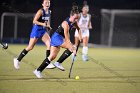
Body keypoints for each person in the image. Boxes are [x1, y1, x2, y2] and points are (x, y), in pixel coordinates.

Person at [33, 5, 82, 78]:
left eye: (77, 19)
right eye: (75, 18)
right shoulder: (66, 24)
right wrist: (73, 49)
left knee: (52, 56)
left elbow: (79, 29)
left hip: (58, 38)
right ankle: (58, 62)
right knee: (72, 47)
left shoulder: (74, 22)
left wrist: (80, 37)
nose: (76, 20)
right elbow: (67, 38)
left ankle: (38, 70)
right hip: (57, 38)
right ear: (71, 16)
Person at [13, 0, 52, 69]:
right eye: (46, 2)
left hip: (43, 30)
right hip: (36, 30)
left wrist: (48, 26)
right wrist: (43, 24)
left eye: (48, 2)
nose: (47, 4)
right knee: (30, 47)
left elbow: (47, 20)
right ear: (42, 4)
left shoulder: (49, 11)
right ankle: (17, 60)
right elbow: (34, 21)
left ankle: (47, 63)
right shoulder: (40, 11)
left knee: (49, 44)